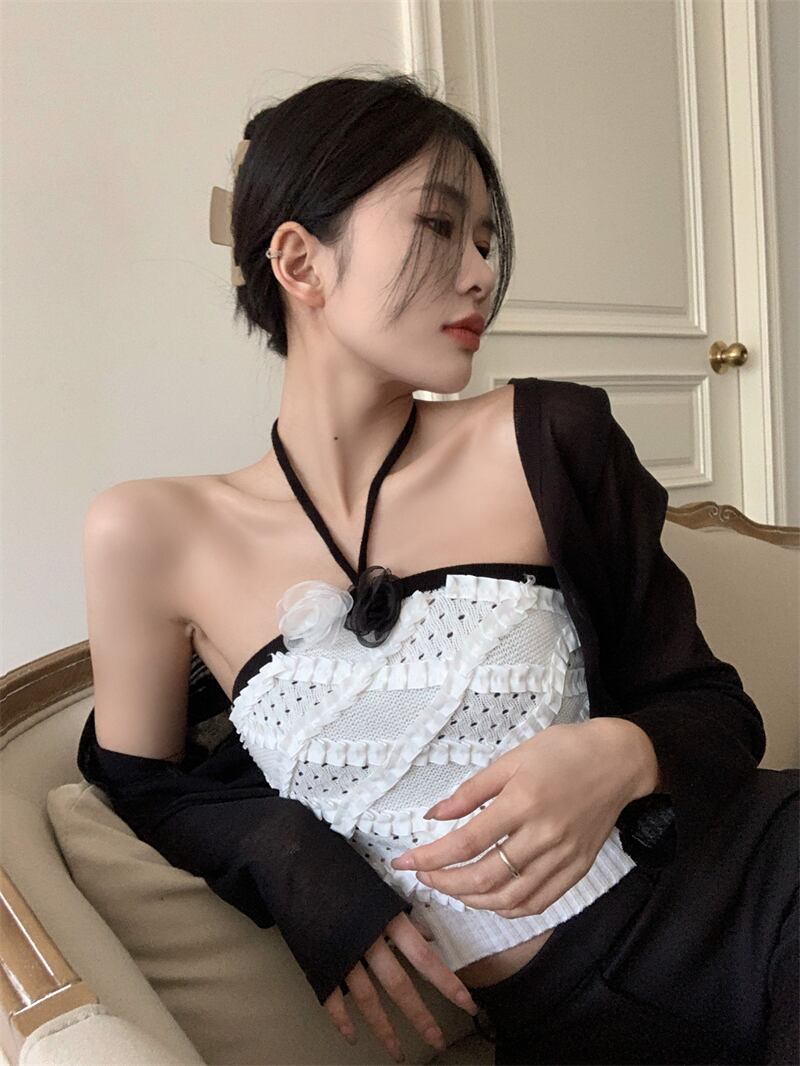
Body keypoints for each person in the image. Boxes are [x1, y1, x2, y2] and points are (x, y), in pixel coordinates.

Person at [77, 70, 798, 1065]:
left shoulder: (547, 439)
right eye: (438, 226)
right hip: (571, 1023)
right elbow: (141, 785)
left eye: (488, 240)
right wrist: (288, 854)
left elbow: (712, 708)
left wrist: (622, 753)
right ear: (300, 260)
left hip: (761, 889)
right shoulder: (150, 533)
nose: (480, 274)